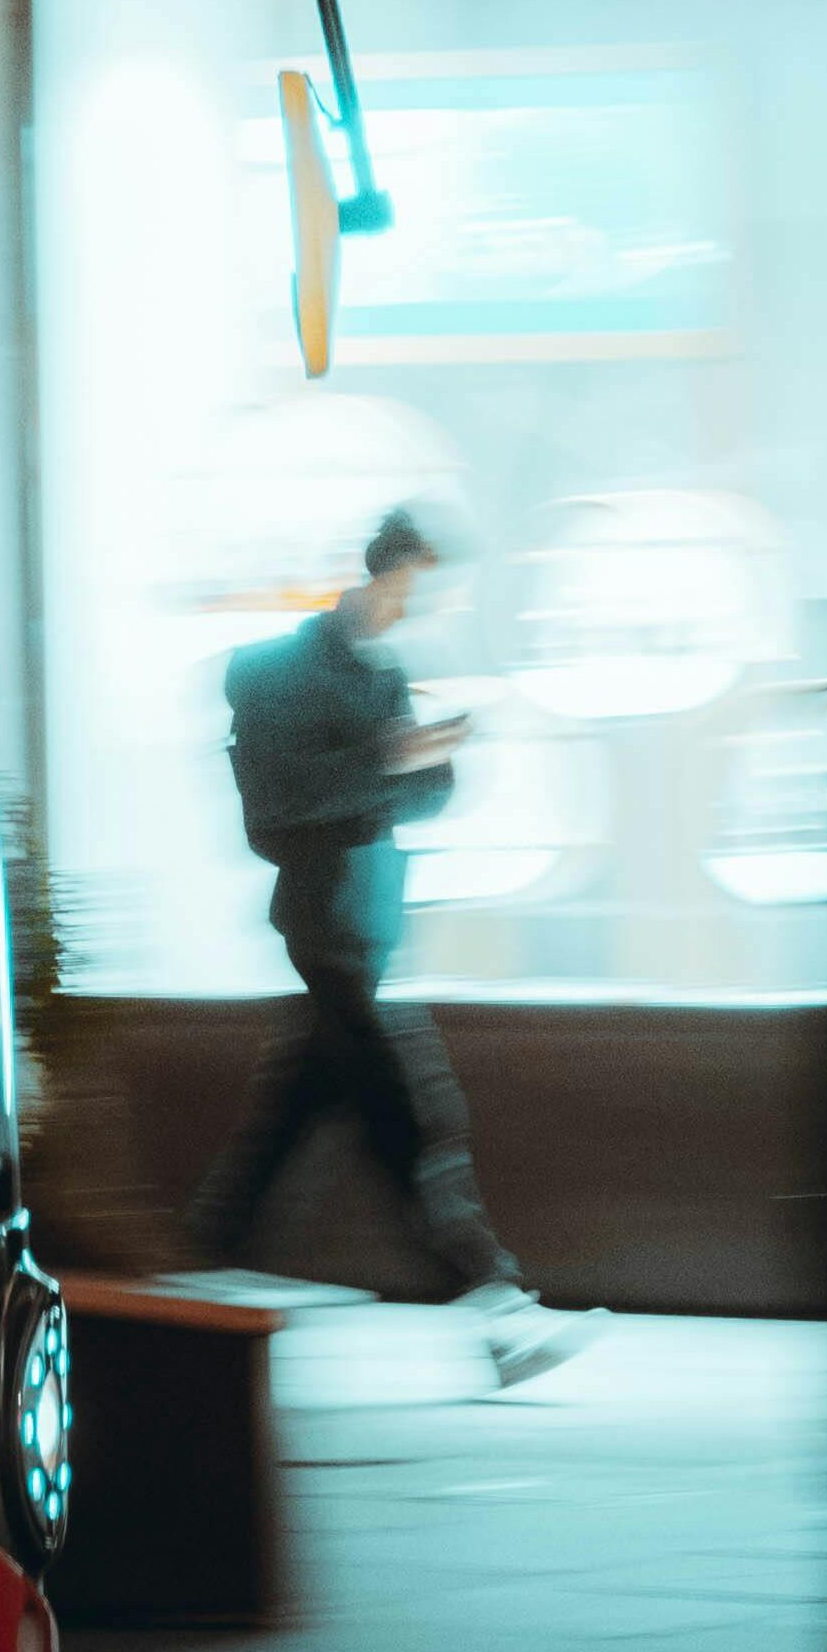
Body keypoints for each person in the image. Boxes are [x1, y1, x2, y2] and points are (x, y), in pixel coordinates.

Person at [190, 514, 602, 1385]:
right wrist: (391, 759)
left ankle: (203, 1266)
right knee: (416, 1119)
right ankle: (495, 1307)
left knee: (296, 1119)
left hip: (366, 933)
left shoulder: (384, 673)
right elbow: (280, 804)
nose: (417, 608)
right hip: (324, 931)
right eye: (414, 588)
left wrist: (415, 757)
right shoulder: (274, 670)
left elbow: (423, 794)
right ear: (381, 574)